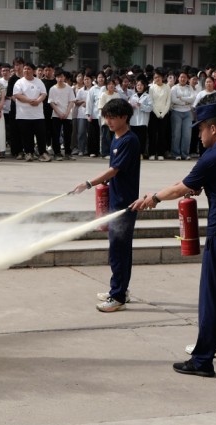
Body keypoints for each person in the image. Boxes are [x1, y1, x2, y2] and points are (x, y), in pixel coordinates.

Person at [129, 101, 216, 378]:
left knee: (214, 297)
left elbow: (182, 187)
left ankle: (202, 360)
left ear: (213, 128)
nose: (199, 135)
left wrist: (152, 198)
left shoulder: (213, 157)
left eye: (201, 129)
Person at [71, 98, 140, 312]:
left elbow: (114, 170)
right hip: (115, 199)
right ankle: (120, 289)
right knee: (119, 249)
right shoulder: (116, 138)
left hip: (124, 204)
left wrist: (89, 183)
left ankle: (117, 295)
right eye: (106, 117)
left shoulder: (129, 140)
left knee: (118, 250)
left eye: (112, 117)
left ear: (124, 117)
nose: (108, 121)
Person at [12, 62, 51, 162]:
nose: (26, 71)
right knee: (26, 135)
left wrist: (38, 101)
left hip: (38, 115)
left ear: (33, 71)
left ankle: (42, 153)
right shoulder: (19, 82)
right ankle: (29, 153)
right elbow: (17, 95)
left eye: (28, 69)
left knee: (41, 135)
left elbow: (43, 94)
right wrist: (30, 100)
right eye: (25, 69)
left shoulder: (39, 82)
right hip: (23, 115)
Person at [48, 70, 75, 160]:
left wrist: (67, 112)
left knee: (68, 134)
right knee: (56, 134)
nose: (60, 79)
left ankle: (68, 153)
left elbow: (71, 101)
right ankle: (57, 153)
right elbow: (51, 102)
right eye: (58, 77)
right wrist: (59, 113)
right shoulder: (53, 89)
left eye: (61, 77)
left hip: (67, 114)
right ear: (55, 78)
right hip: (56, 114)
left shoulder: (69, 88)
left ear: (64, 77)